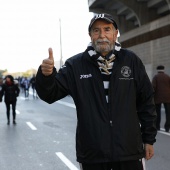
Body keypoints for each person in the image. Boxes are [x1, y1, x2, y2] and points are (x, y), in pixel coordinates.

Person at [35, 13, 157, 170]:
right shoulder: (75, 65)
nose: (102, 35)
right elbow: (50, 95)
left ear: (115, 33)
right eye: (96, 30)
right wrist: (46, 75)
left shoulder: (131, 60)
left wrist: (149, 139)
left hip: (129, 151)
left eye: (107, 29)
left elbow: (146, 102)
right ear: (90, 35)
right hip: (93, 154)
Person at [152, 65, 170, 132]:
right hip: (168, 97)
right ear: (163, 69)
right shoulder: (167, 77)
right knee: (168, 113)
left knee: (157, 113)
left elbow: (153, 87)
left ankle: (157, 126)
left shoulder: (156, 77)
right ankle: (167, 127)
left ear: (157, 70)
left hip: (158, 97)